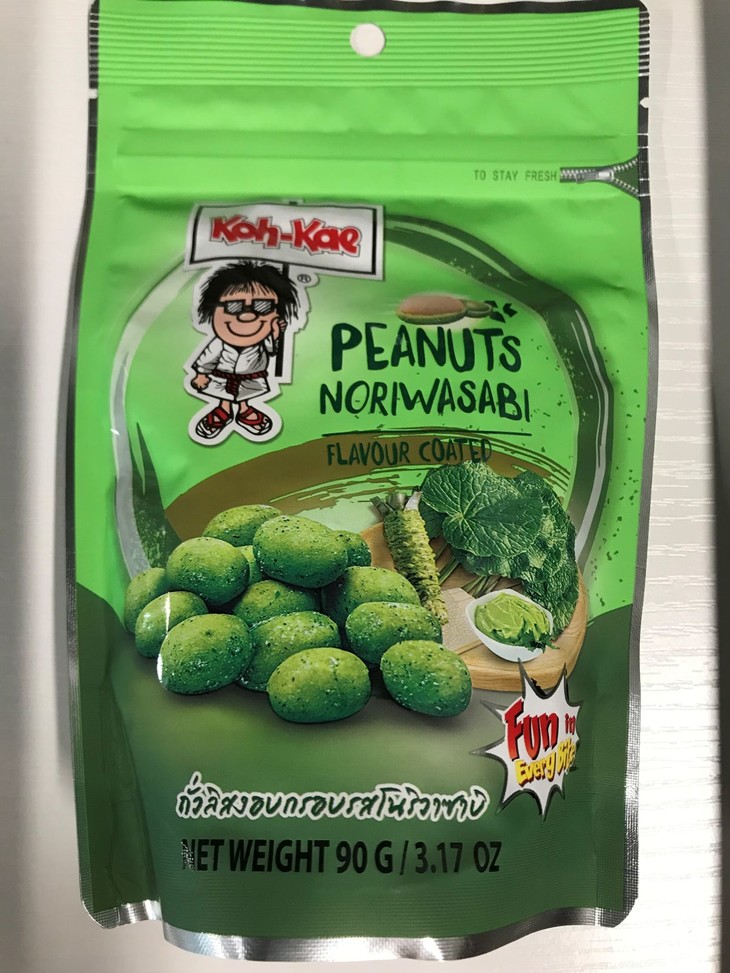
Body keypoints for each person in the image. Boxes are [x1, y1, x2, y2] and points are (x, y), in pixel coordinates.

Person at [189, 262, 299, 440]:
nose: (248, 315)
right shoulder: (219, 344)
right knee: (223, 396)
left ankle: (244, 410)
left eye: (262, 306)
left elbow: (271, 350)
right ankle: (223, 410)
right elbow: (208, 357)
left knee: (245, 396)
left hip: (250, 378)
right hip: (222, 377)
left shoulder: (262, 342)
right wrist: (201, 374)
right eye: (234, 306)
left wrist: (275, 334)